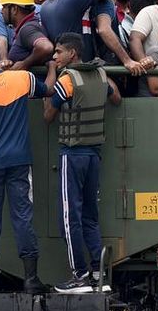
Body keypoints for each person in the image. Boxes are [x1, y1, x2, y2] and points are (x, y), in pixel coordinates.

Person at [0, 40, 57, 294]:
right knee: (23, 217)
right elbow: (49, 90)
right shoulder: (23, 79)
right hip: (19, 160)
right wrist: (51, 67)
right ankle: (31, 279)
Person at [43, 33, 121, 293]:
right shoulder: (100, 76)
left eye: (58, 52)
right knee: (90, 216)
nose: (55, 56)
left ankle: (79, 276)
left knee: (70, 217)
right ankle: (99, 275)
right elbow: (116, 98)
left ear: (72, 54)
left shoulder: (67, 80)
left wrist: (51, 74)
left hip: (72, 154)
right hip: (93, 156)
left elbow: (47, 115)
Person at [86, 0, 145, 74]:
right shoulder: (106, 3)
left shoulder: (89, 2)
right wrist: (127, 60)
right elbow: (103, 29)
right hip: (103, 69)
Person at [1, 0, 54, 70]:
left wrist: (25, 64)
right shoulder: (30, 23)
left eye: (4, 7)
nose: (2, 11)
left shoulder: (27, 28)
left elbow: (46, 47)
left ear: (14, 9)